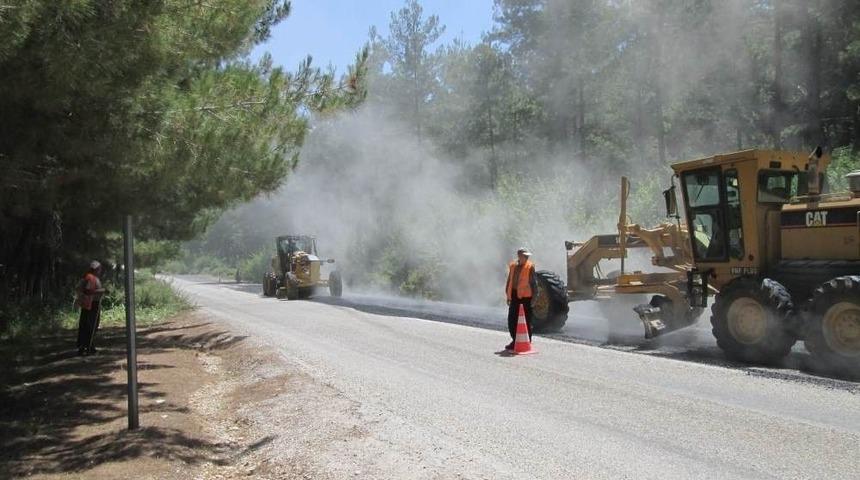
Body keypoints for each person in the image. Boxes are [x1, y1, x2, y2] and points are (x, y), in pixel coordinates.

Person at [504, 247, 537, 350]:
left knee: (527, 321)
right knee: (512, 320)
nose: (526, 258)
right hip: (514, 297)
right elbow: (509, 281)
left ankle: (527, 341)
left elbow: (534, 284)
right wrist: (508, 296)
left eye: (527, 256)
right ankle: (515, 341)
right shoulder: (513, 266)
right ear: (519, 256)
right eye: (524, 256)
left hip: (526, 298)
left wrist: (534, 299)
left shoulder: (530, 267)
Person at [76, 260, 106, 356]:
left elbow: (79, 288)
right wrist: (102, 290)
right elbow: (88, 291)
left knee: (86, 325)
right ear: (96, 269)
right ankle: (89, 347)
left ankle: (83, 346)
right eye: (99, 269)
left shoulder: (87, 277)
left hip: (87, 304)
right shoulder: (91, 278)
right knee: (91, 326)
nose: (100, 270)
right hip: (92, 305)